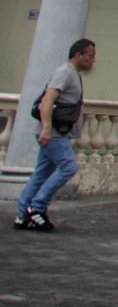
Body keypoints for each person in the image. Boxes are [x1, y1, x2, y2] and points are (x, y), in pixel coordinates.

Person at [14, 38, 97, 231]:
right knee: (68, 166)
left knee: (43, 171)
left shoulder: (72, 74)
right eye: (90, 56)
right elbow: (48, 99)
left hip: (57, 132)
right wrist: (46, 128)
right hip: (54, 133)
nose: (93, 60)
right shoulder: (64, 73)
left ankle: (22, 213)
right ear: (78, 55)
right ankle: (37, 207)